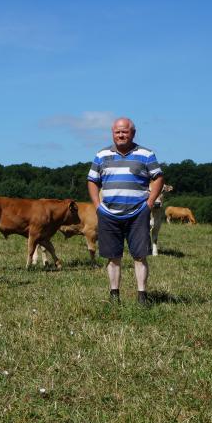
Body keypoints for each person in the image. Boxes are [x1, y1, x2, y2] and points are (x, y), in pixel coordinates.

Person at [87, 117, 164, 305]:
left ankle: (142, 296)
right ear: (113, 133)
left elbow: (158, 178)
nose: (121, 135)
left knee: (140, 255)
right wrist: (98, 206)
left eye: (125, 132)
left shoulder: (146, 154)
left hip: (138, 213)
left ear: (133, 133)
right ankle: (114, 295)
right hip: (108, 214)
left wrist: (149, 203)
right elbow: (92, 181)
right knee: (113, 257)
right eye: (117, 132)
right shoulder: (102, 154)